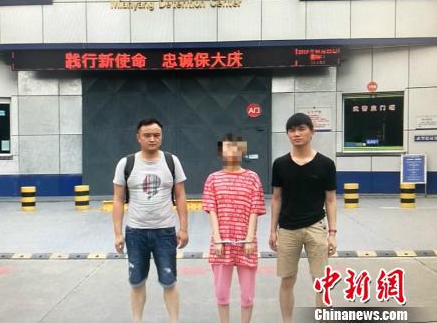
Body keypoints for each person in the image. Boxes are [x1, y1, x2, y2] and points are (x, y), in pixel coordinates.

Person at [112, 118, 189, 323]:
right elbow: (118, 199)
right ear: (138, 137)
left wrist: (183, 228)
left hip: (165, 232)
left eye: (156, 135)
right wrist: (118, 233)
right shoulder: (126, 163)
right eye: (147, 135)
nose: (152, 139)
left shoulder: (172, 161)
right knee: (136, 281)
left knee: (169, 281)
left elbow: (180, 195)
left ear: (161, 137)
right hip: (135, 232)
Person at [268, 113, 338, 323]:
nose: (296, 134)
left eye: (301, 129)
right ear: (287, 134)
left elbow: (331, 200)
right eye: (291, 130)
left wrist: (332, 233)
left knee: (321, 281)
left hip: (316, 228)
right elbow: (276, 198)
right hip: (287, 229)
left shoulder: (326, 164)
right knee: (287, 280)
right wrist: (272, 231)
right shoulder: (280, 164)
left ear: (312, 132)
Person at [202, 134, 266, 323]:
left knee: (247, 296)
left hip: (246, 243)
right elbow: (212, 210)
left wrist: (249, 239)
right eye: (227, 148)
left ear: (242, 151)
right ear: (220, 152)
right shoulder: (213, 179)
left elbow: (255, 209)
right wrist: (217, 239)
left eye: (236, 148)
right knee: (221, 294)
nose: (231, 152)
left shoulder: (253, 178)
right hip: (221, 244)